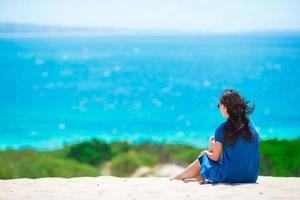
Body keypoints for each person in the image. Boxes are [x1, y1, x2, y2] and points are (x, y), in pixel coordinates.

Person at [170, 89, 260, 183]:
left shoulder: (221, 129)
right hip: (251, 177)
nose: (219, 108)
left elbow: (215, 157)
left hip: (229, 176)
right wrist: (218, 144)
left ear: (225, 107)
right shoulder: (250, 125)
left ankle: (179, 177)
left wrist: (207, 151)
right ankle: (197, 175)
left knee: (203, 157)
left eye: (220, 105)